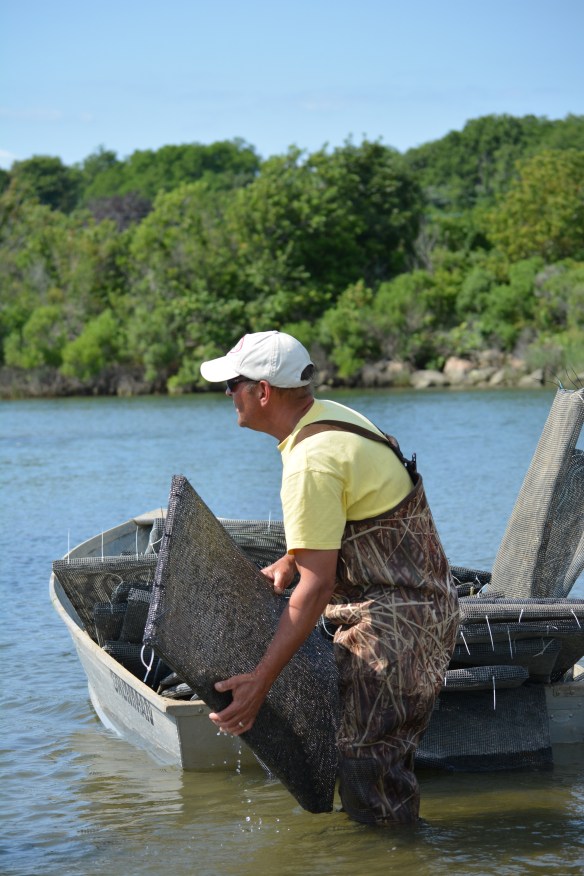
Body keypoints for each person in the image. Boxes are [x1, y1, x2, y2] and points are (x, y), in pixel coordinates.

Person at [200, 330, 459, 826]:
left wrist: (259, 682)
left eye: (233, 384)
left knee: (371, 786)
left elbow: (316, 590)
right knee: (382, 775)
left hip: (392, 633)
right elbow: (354, 519)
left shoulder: (309, 462)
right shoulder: (331, 419)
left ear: (263, 391)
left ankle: (392, 861)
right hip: (425, 611)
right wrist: (292, 558)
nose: (227, 395)